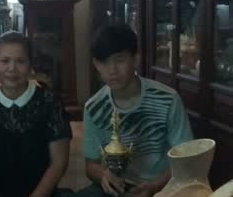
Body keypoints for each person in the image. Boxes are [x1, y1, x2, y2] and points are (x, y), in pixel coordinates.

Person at [77, 24, 193, 197]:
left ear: (135, 59)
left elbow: (187, 159)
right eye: (104, 62)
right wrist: (103, 176)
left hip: (163, 186)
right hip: (118, 187)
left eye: (120, 60)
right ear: (96, 64)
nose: (112, 70)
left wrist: (155, 186)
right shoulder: (93, 107)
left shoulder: (168, 99)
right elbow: (90, 165)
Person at [0, 31, 72, 197]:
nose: (12, 68)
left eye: (20, 61)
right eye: (5, 61)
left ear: (30, 65)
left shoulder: (50, 103)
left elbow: (59, 162)